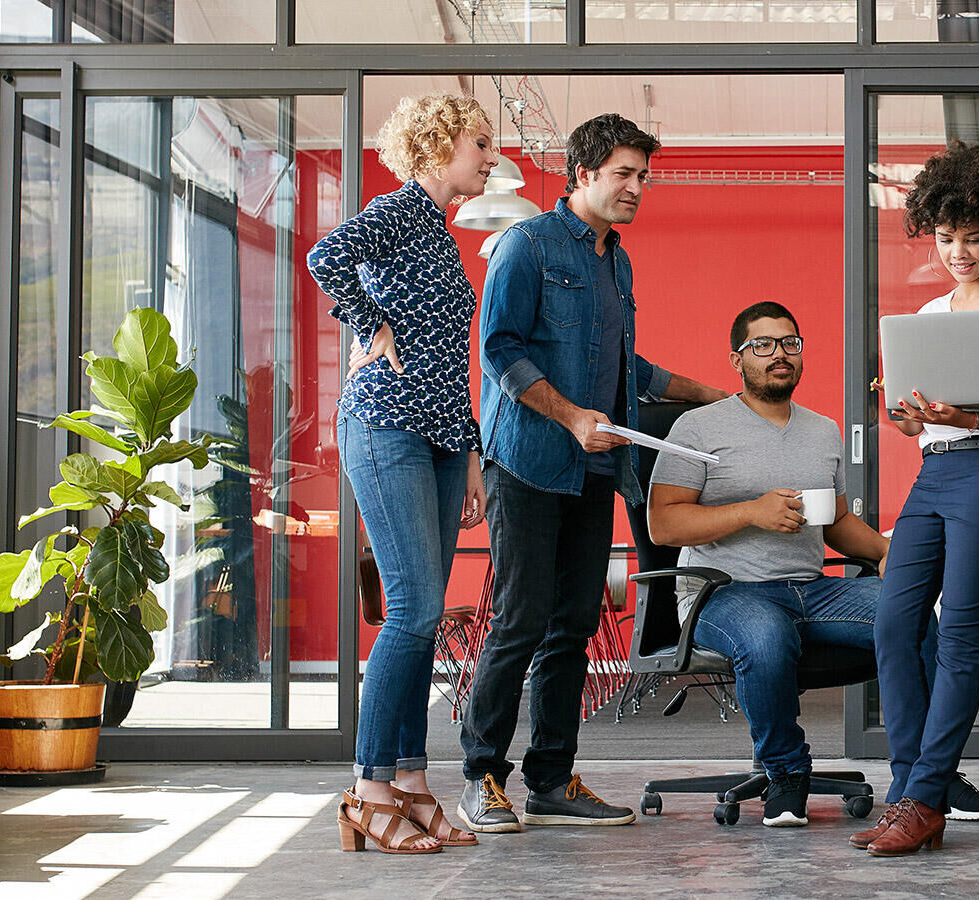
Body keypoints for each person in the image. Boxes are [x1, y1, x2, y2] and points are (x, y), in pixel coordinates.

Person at [458, 113, 728, 833]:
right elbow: (500, 349)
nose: (638, 188)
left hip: (597, 474)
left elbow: (624, 365)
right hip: (529, 463)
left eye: (644, 176)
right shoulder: (526, 245)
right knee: (519, 622)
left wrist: (706, 393)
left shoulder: (616, 260)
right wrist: (573, 415)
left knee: (574, 627)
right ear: (582, 175)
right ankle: (481, 775)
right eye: (624, 175)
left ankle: (550, 779)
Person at [855, 140, 979, 857]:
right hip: (937, 469)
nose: (959, 253)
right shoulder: (934, 310)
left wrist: (965, 418)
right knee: (893, 623)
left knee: (961, 631)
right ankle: (912, 789)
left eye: (973, 238)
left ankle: (924, 798)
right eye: (946, 239)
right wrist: (914, 421)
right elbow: (929, 422)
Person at [307, 93, 496, 855]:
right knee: (415, 611)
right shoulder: (400, 210)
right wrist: (367, 323)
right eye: (480, 143)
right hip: (385, 425)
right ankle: (367, 789)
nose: (490, 157)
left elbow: (455, 362)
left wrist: (474, 452)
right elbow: (326, 256)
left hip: (445, 437)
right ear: (439, 144)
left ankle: (412, 781)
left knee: (422, 618)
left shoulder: (441, 234)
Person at [647, 301, 887, 828]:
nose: (779, 354)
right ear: (737, 360)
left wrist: (886, 553)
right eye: (763, 345)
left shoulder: (823, 431)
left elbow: (836, 522)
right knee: (766, 637)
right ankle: (786, 773)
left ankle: (928, 773)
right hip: (723, 591)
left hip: (811, 587)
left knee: (909, 615)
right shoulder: (697, 427)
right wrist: (751, 512)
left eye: (789, 343)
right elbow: (663, 525)